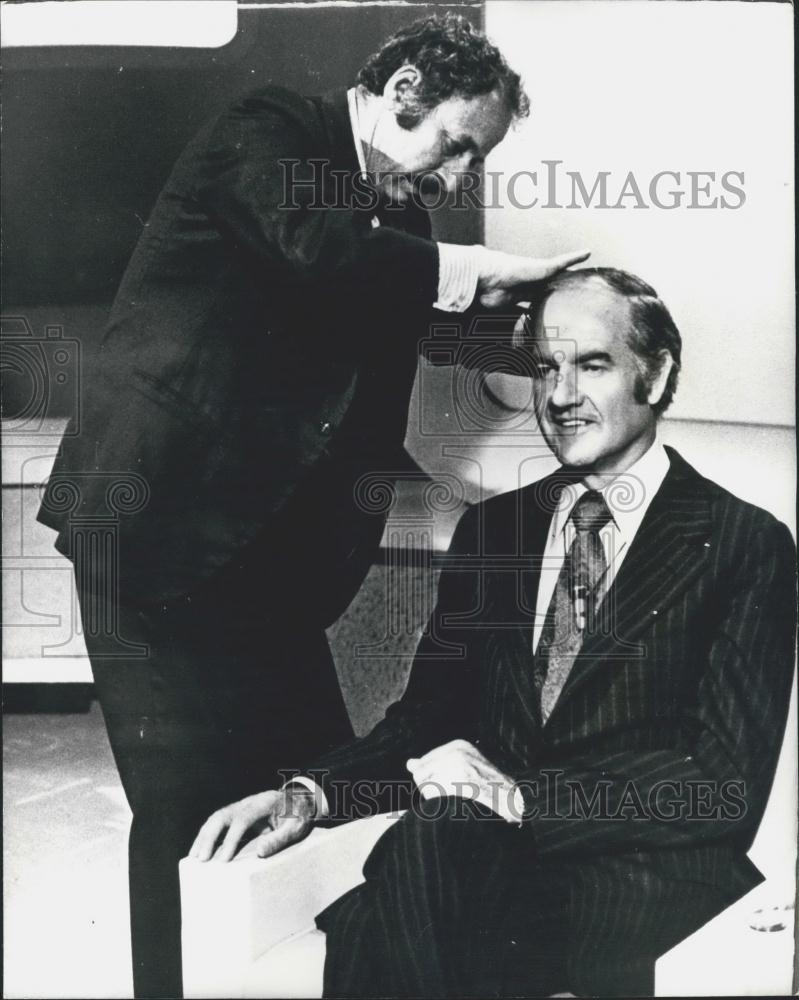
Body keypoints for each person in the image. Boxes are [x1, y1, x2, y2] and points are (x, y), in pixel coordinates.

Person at [36, 13, 588, 999]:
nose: (457, 175)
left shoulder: (401, 233)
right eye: (455, 141)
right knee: (190, 813)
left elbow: (393, 350)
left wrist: (555, 341)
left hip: (269, 569)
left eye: (477, 159)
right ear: (402, 88)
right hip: (153, 537)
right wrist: (484, 274)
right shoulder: (270, 130)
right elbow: (313, 245)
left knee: (319, 788)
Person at [191, 267, 797, 997]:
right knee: (429, 853)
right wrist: (314, 794)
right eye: (544, 368)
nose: (561, 396)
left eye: (592, 365)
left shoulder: (743, 542)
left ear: (657, 373)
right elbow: (425, 716)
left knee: (407, 886)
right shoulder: (494, 530)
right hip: (476, 863)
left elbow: (720, 784)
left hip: (637, 880)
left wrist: (516, 796)